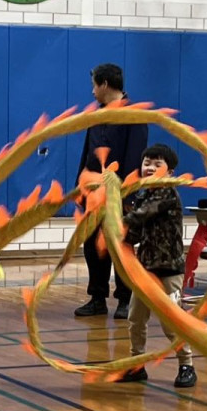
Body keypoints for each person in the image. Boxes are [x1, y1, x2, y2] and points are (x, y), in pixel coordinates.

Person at [115, 144, 196, 388]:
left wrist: (113, 221)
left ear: (169, 172)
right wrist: (120, 240)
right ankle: (137, 364)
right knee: (136, 319)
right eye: (146, 163)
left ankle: (186, 365)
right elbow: (134, 232)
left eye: (157, 164)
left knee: (171, 322)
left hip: (169, 271)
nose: (150, 168)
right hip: (145, 270)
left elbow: (140, 215)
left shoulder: (167, 194)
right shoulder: (143, 196)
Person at [75, 63, 148, 320]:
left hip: (119, 195)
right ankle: (97, 298)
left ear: (105, 84)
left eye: (94, 85)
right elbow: (87, 153)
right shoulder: (96, 115)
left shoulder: (134, 114)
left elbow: (136, 157)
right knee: (93, 246)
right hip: (93, 194)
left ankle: (125, 300)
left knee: (120, 246)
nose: (92, 91)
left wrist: (127, 195)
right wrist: (81, 186)